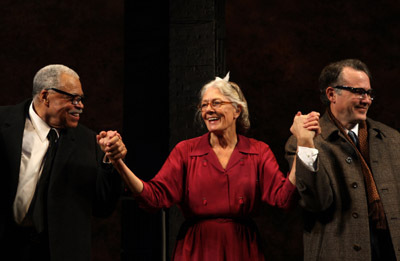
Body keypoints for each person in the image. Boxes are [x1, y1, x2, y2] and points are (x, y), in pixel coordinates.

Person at [99, 73, 320, 260]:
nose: (208, 110)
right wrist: (118, 162)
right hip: (197, 250)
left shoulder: (258, 151)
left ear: (237, 110)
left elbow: (284, 198)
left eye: (216, 103)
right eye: (204, 105)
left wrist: (304, 143)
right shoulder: (186, 151)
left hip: (242, 250)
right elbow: (153, 198)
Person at [0, 64, 126, 261]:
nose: (80, 105)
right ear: (45, 96)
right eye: (73, 98)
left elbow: (103, 207)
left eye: (81, 99)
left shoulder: (88, 143)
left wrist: (111, 161)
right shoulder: (3, 123)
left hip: (57, 252)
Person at [285, 59, 400, 260]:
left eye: (369, 93)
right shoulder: (303, 142)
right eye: (358, 92)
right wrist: (305, 141)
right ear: (331, 94)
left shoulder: (392, 139)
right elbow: (316, 202)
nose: (367, 100)